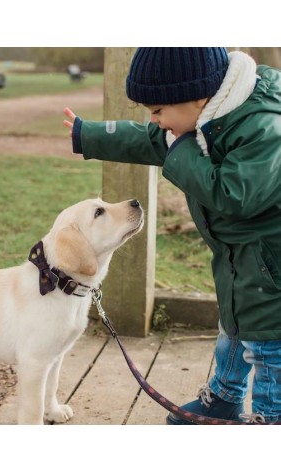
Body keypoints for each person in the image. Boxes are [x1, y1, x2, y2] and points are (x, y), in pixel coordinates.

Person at [63, 47, 281, 425]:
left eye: (158, 111)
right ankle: (225, 398)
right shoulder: (207, 115)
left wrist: (179, 150)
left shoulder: (264, 127)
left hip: (272, 265)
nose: (156, 121)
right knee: (232, 328)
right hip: (241, 257)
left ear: (198, 96)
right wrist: (90, 134)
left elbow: (234, 195)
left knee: (267, 345)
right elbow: (150, 139)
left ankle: (270, 416)